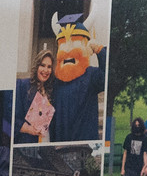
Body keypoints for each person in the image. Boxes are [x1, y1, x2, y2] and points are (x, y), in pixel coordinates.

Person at [44, 13, 105, 143]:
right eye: (63, 45)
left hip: (82, 144)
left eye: (76, 43)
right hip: (60, 143)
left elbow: (107, 77)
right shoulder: (55, 82)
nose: (67, 51)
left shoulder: (91, 76)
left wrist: (100, 51)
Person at [17, 49, 55, 143]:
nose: (46, 70)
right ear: (36, 66)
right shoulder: (23, 86)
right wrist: (28, 129)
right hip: (29, 141)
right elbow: (14, 117)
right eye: (42, 65)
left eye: (49, 67)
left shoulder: (50, 90)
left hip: (47, 139)